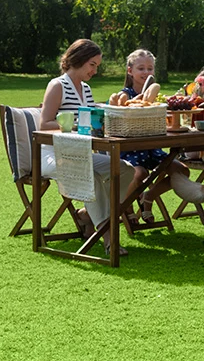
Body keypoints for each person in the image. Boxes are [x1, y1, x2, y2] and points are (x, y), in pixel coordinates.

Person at [40, 39, 136, 254]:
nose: (95, 70)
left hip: (81, 152)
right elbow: (44, 124)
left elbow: (92, 122)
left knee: (125, 169)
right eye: (92, 64)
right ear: (79, 60)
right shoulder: (57, 85)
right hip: (53, 154)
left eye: (97, 66)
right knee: (89, 175)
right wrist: (76, 125)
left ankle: (86, 215)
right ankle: (109, 238)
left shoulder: (86, 89)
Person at [117, 49, 189, 223]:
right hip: (129, 150)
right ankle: (126, 205)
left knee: (182, 171)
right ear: (130, 71)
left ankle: (148, 197)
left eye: (150, 68)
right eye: (141, 68)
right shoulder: (125, 95)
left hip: (152, 149)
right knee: (139, 173)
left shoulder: (157, 98)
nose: (146, 72)